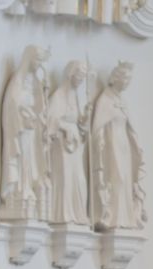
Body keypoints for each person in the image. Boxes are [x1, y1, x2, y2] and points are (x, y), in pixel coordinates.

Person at [91, 61, 147, 230]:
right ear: (116, 78)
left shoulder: (122, 101)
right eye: (125, 78)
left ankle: (127, 218)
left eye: (129, 79)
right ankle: (112, 217)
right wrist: (99, 140)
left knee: (126, 180)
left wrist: (136, 145)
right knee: (117, 178)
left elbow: (130, 128)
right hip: (111, 145)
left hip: (124, 145)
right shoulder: (105, 99)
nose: (127, 82)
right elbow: (98, 125)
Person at [0, 45, 50, 221]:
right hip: (20, 130)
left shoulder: (35, 82)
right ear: (29, 59)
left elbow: (40, 108)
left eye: (41, 61)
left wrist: (42, 99)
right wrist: (24, 114)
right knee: (22, 159)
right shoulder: (18, 81)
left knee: (31, 160)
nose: (38, 64)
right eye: (37, 60)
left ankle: (28, 189)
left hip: (31, 131)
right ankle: (21, 190)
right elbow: (12, 105)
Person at [47, 60, 90, 227]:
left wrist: (86, 117)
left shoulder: (76, 97)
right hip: (62, 145)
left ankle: (78, 214)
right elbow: (50, 119)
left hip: (75, 146)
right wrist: (65, 128)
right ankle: (63, 215)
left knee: (79, 180)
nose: (81, 79)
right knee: (65, 178)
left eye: (84, 77)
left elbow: (80, 125)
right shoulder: (59, 95)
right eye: (79, 75)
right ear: (71, 74)